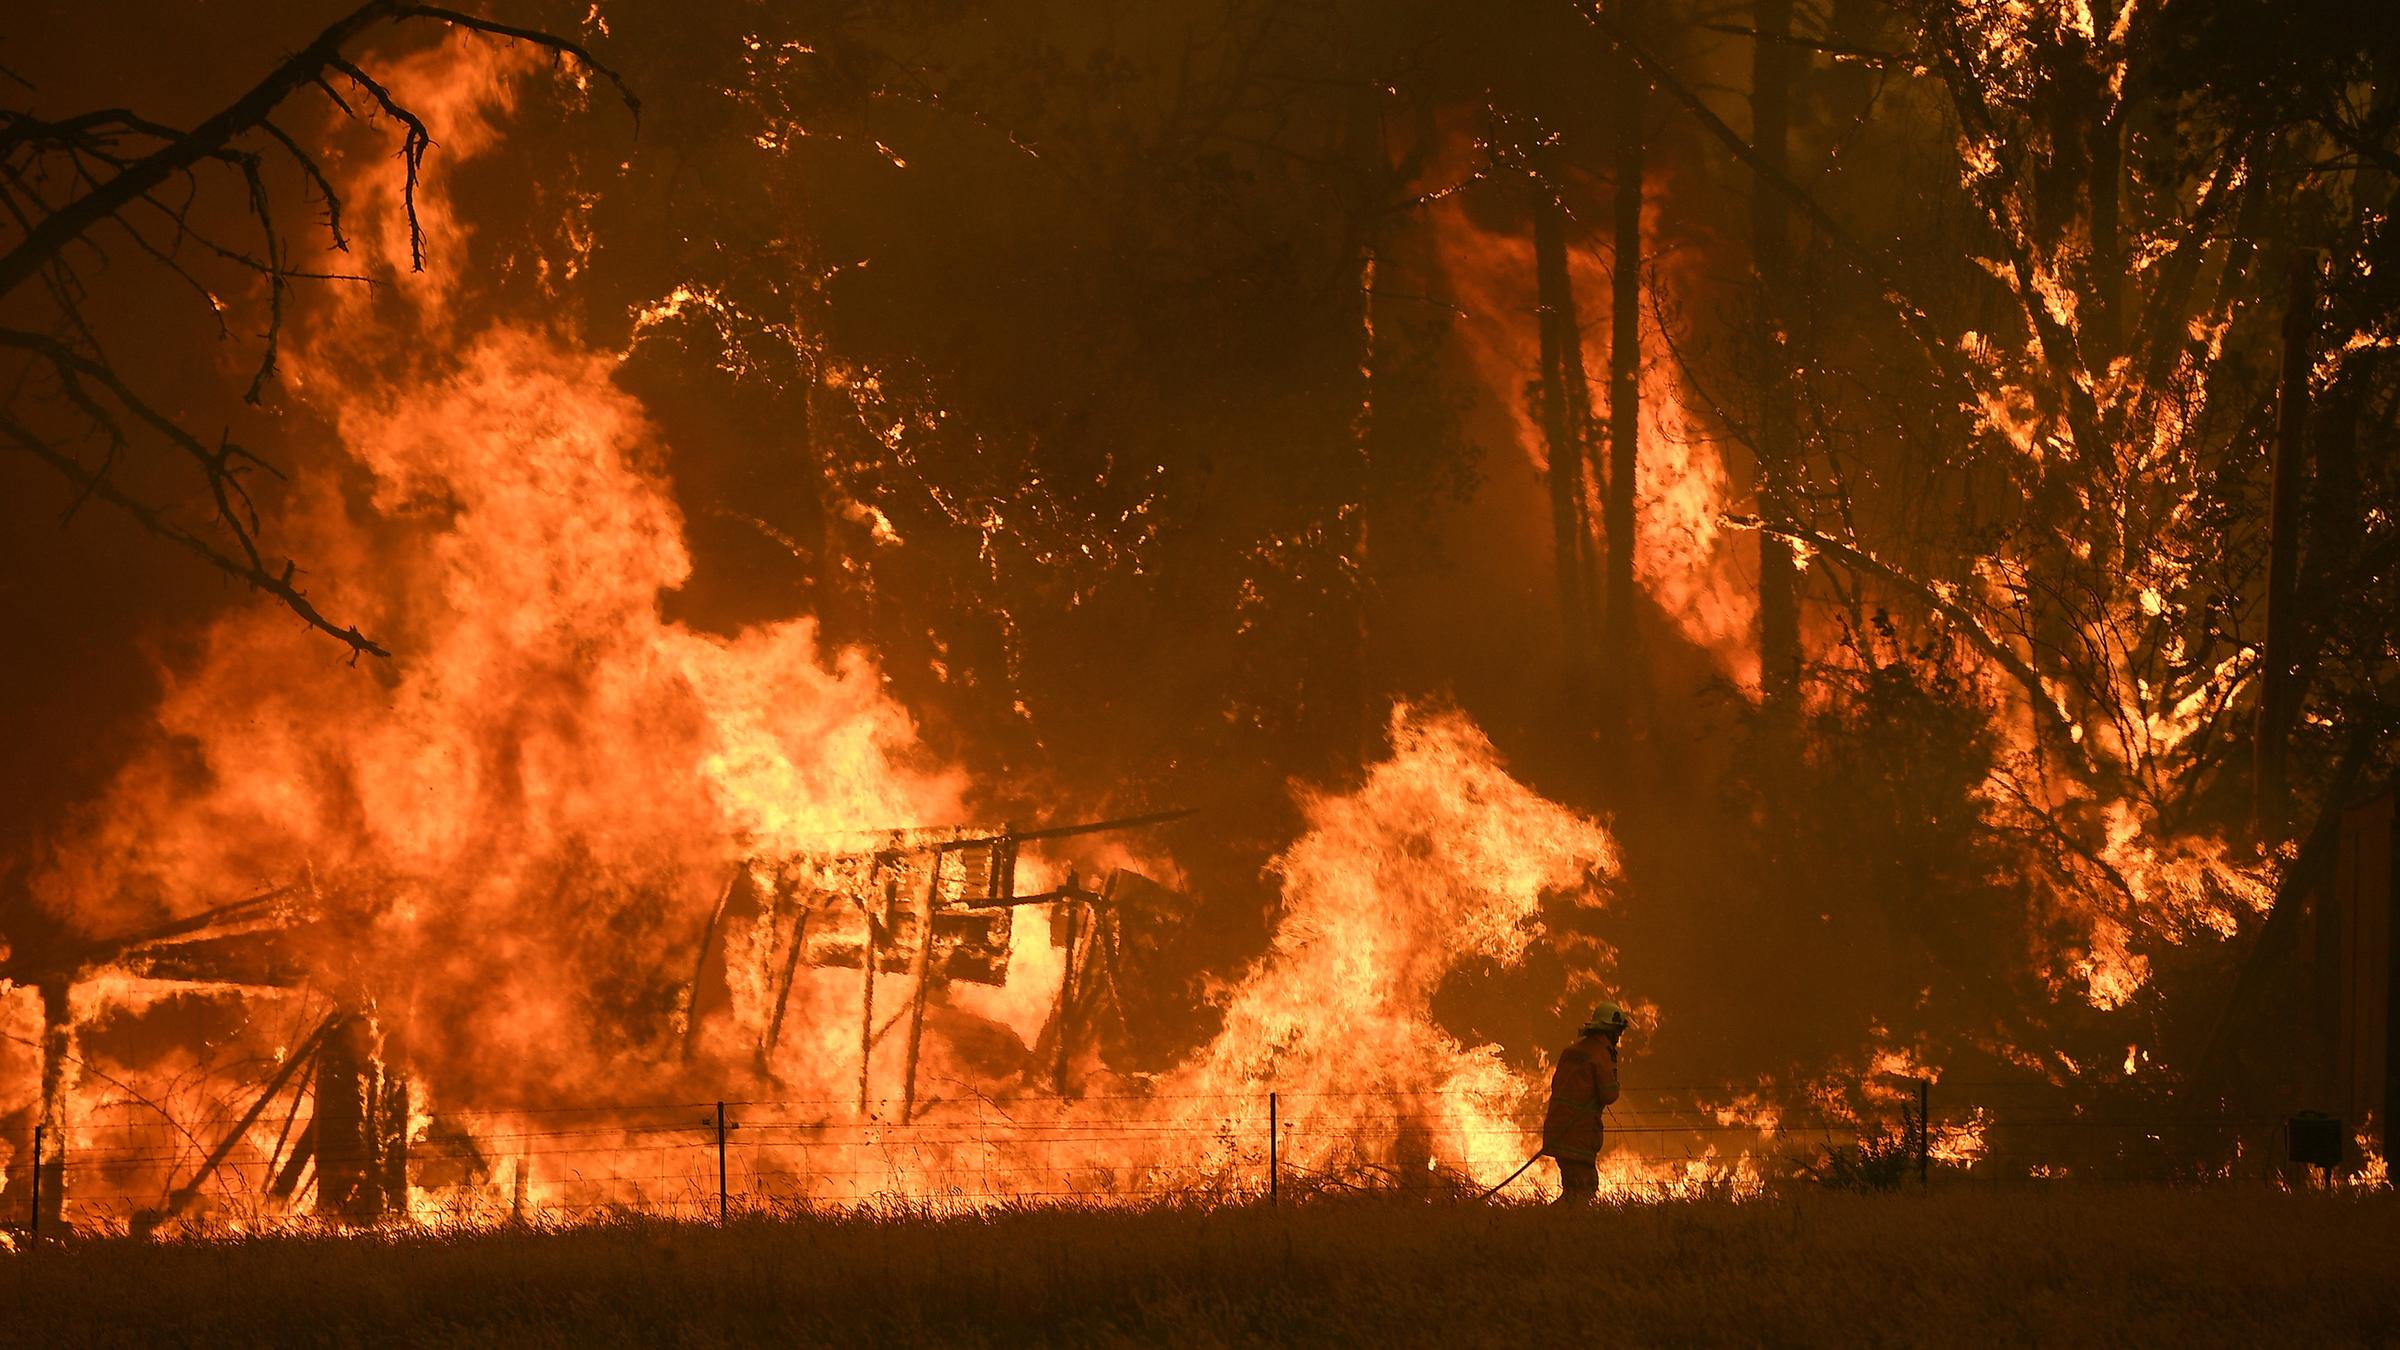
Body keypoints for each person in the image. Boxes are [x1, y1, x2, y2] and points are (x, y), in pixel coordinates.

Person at [1542, 1001, 1627, 1205]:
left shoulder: (1571, 1051)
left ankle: (1552, 1225)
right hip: (1579, 1133)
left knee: (1573, 1190)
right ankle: (1547, 1223)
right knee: (1584, 1190)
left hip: (1558, 1129)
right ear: (1612, 1031)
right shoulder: (1601, 1054)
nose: (1619, 1037)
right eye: (1619, 1031)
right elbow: (1609, 1095)